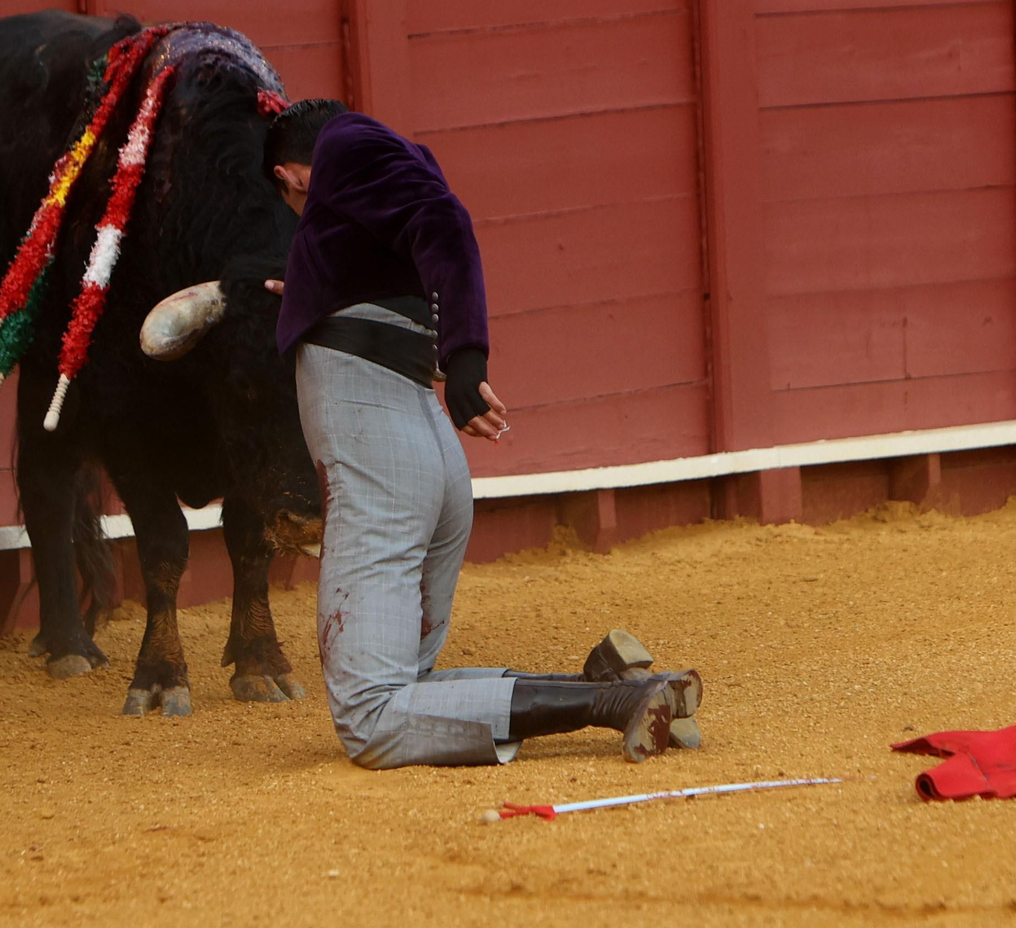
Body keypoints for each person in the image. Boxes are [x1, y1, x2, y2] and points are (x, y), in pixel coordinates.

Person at [262, 99, 703, 769]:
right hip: (424, 449)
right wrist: (306, 290)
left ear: (292, 176)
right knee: (404, 687)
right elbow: (401, 253)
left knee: (372, 715)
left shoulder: (345, 150)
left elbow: (443, 223)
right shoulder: (395, 158)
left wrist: (467, 352)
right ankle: (600, 686)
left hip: (379, 452)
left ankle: (612, 704)